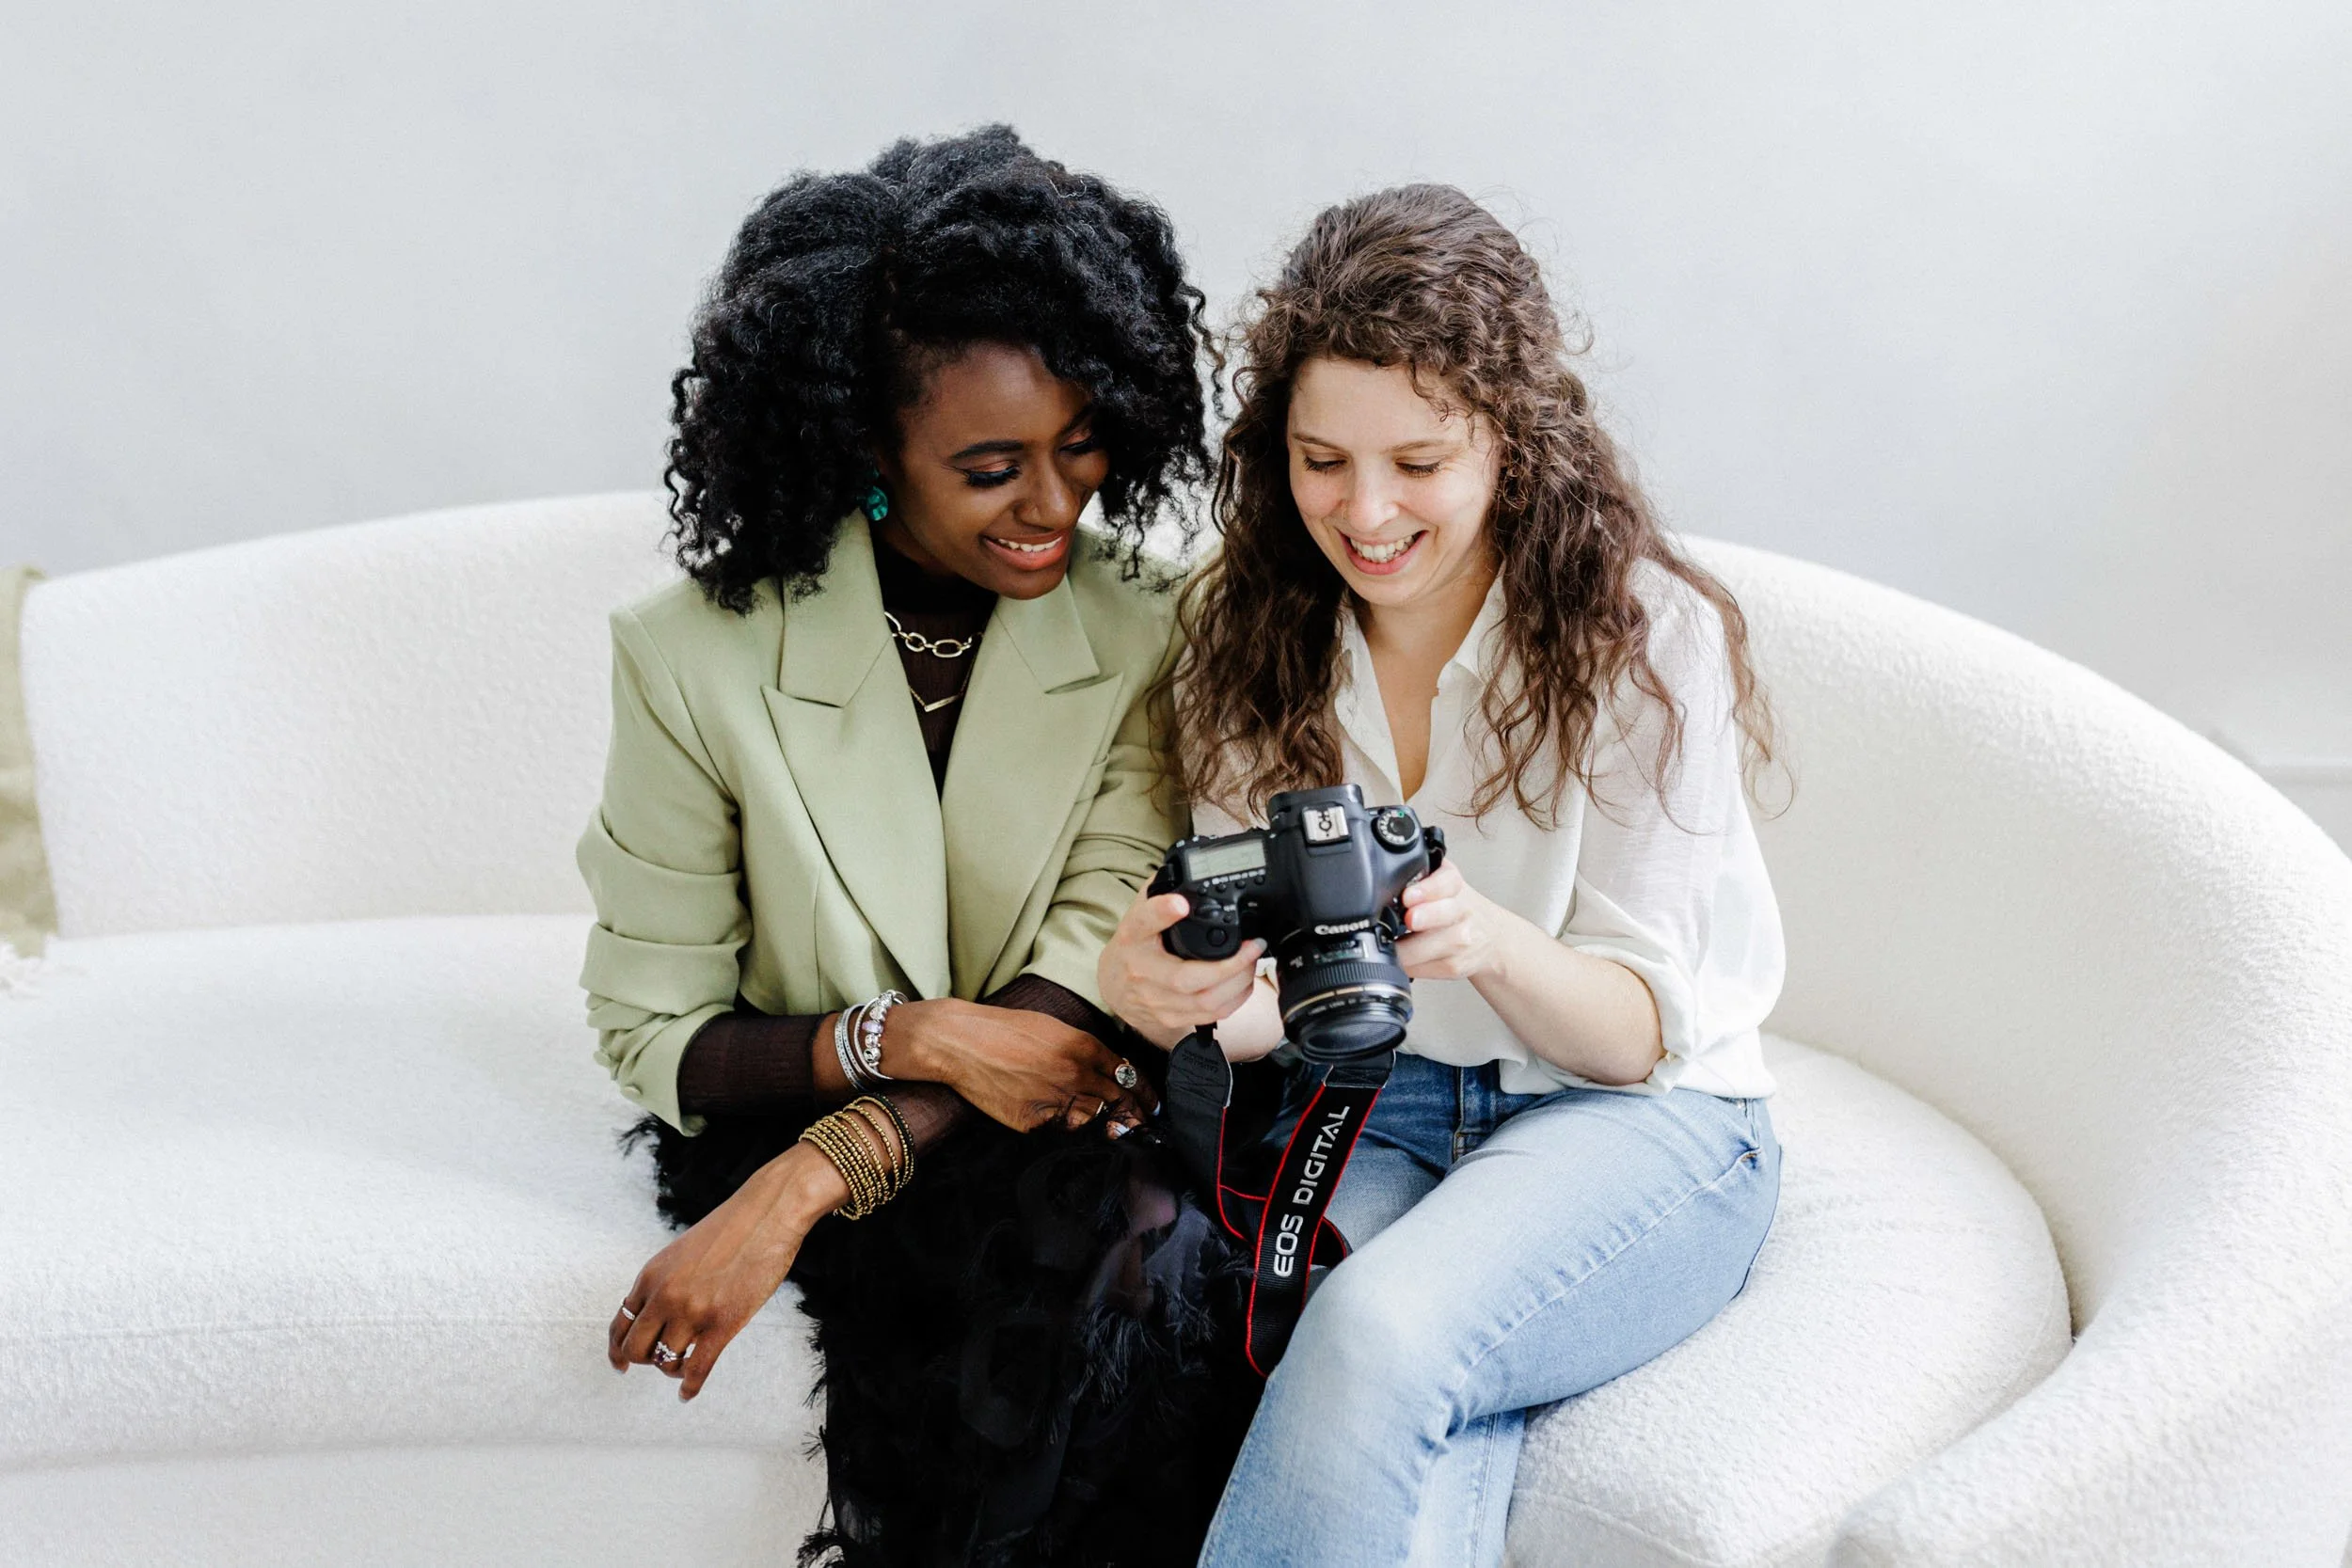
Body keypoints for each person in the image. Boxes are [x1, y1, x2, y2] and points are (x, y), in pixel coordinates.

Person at [579, 127, 1256, 1564]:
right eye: (993, 466)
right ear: (869, 452)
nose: (1056, 503)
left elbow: (1083, 972)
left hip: (1063, 1090)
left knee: (1143, 1236)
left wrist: (809, 1181)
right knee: (1071, 1258)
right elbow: (659, 1030)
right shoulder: (689, 659)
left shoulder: (1151, 625)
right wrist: (915, 1039)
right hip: (801, 1081)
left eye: (1083, 441)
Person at [1098, 184, 1785, 1564]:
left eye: (1418, 461)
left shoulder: (1644, 636)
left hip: (1639, 1118)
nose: (1365, 512)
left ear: (1510, 442)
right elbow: (1271, 1002)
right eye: (1321, 460)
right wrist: (1166, 997)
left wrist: (1484, 939)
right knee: (1311, 1356)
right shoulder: (1246, 634)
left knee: (1375, 1332)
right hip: (1383, 1099)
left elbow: (1638, 1033)